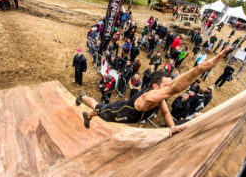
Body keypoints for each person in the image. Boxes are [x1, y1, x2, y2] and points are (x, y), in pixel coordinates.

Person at [78, 47, 231, 138]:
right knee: (98, 108)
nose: (170, 85)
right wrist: (199, 69)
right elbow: (175, 88)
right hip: (118, 111)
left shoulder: (159, 99)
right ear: (156, 86)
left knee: (98, 112)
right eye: (166, 84)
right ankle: (83, 96)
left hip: (127, 115)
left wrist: (172, 127)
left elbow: (165, 113)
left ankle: (88, 115)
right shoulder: (150, 96)